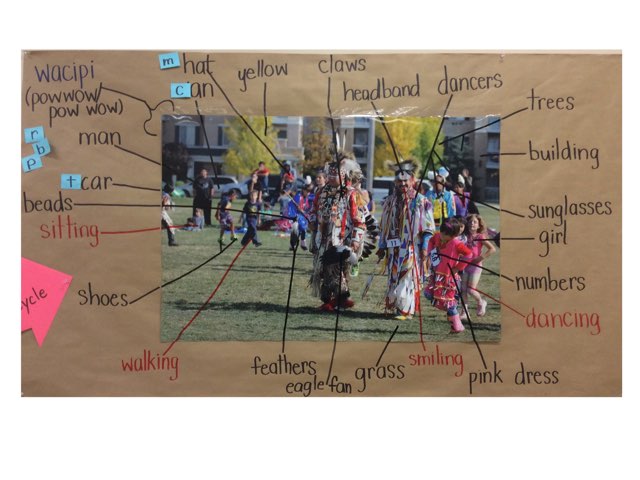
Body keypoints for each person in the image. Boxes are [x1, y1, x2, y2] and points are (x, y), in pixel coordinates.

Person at [377, 161, 435, 321]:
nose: (402, 184)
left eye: (406, 181)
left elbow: (428, 228)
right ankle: (398, 306)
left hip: (411, 247)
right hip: (392, 248)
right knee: (394, 275)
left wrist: (425, 247)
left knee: (407, 277)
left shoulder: (421, 201)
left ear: (413, 180)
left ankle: (406, 310)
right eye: (399, 181)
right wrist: (382, 246)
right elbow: (384, 226)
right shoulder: (390, 201)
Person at [309, 153, 366, 312]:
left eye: (336, 174)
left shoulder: (351, 193)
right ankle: (329, 300)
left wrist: (355, 240)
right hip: (323, 238)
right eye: (330, 174)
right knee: (323, 269)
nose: (332, 177)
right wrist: (312, 221)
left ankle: (341, 299)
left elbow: (359, 219)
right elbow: (313, 210)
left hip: (341, 240)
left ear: (343, 175)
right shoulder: (322, 191)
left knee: (337, 270)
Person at [424, 219, 473, 333]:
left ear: (453, 235)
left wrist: (457, 268)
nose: (441, 235)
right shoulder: (437, 237)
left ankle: (457, 326)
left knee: (448, 303)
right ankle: (454, 317)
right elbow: (431, 240)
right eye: (441, 232)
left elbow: (469, 255)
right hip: (437, 275)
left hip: (448, 279)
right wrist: (431, 253)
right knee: (428, 294)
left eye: (445, 234)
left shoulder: (456, 243)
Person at [461, 214, 496, 317]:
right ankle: (464, 312)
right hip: (464, 265)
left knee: (471, 290)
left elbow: (492, 249)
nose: (472, 223)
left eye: (475, 222)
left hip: (475, 266)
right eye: (470, 222)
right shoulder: (464, 236)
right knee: (463, 290)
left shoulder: (480, 237)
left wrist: (480, 258)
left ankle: (481, 302)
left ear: (479, 225)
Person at [287, 184, 313, 251]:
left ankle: (303, 243)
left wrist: (303, 211)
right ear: (303, 190)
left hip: (302, 216)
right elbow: (292, 206)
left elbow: (306, 207)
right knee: (295, 231)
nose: (308, 193)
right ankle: (292, 245)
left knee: (303, 229)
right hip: (296, 215)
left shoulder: (306, 197)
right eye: (307, 191)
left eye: (309, 191)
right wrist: (298, 210)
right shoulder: (298, 197)